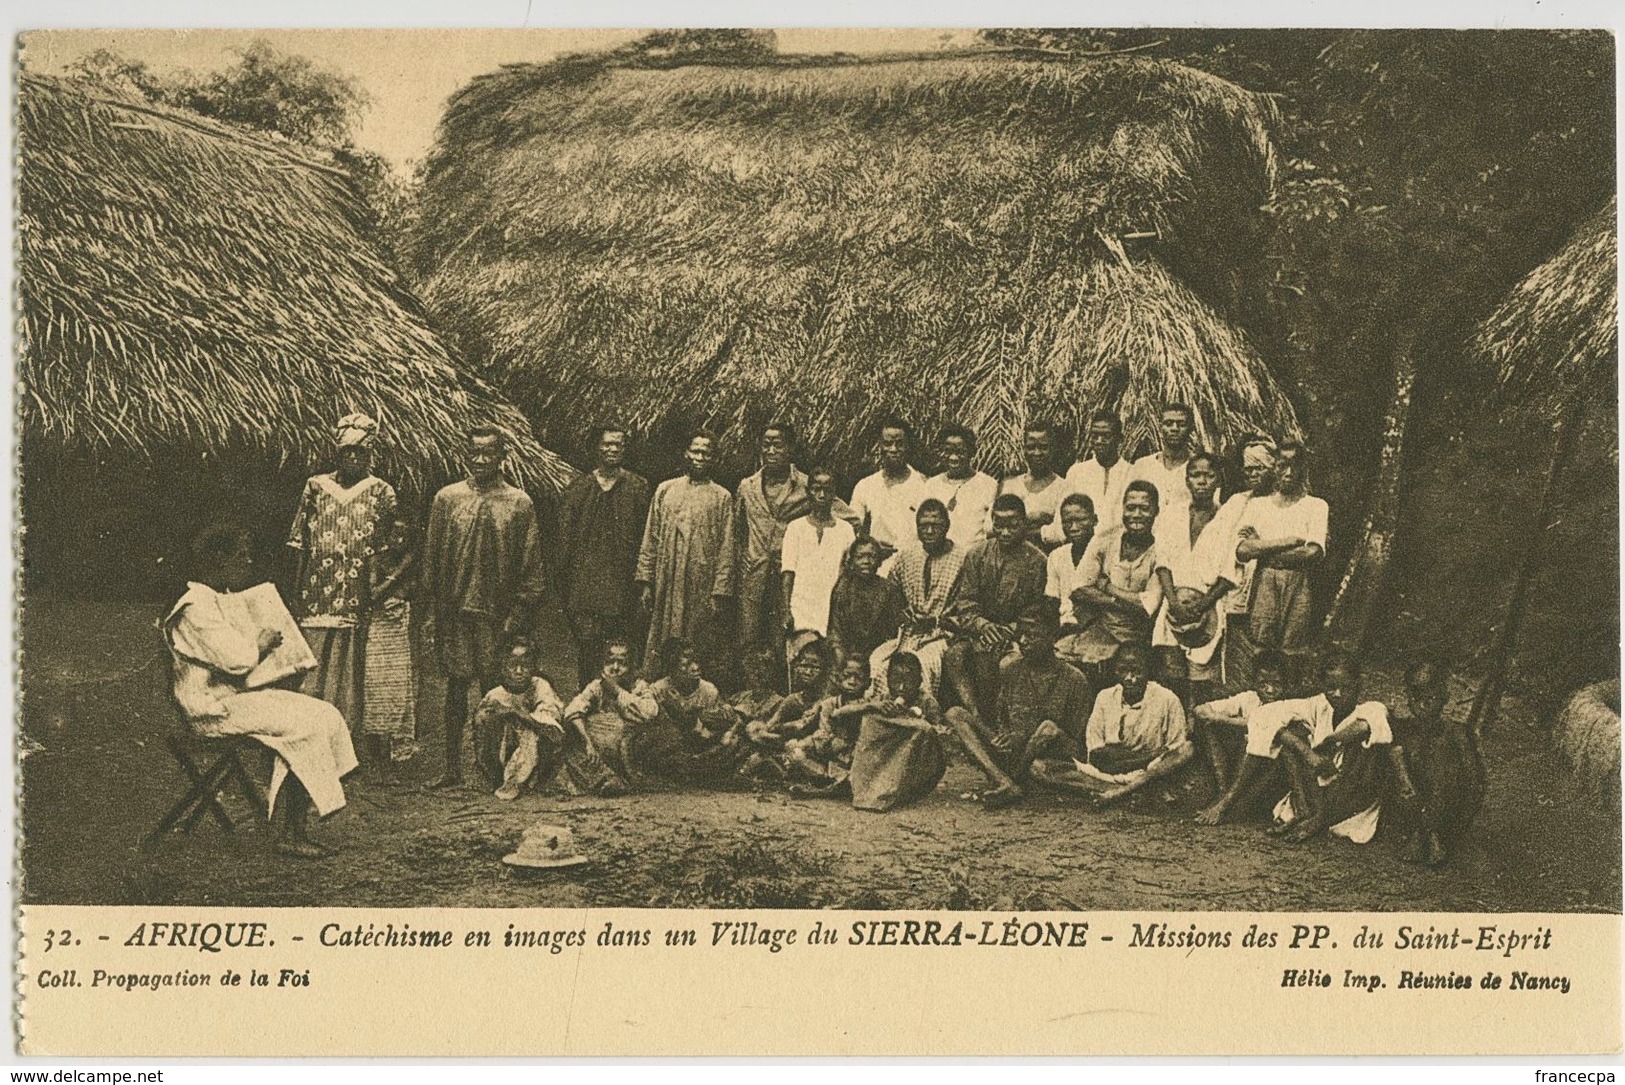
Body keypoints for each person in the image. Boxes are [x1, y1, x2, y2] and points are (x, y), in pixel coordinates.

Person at [165, 525, 357, 859]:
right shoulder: (195, 607)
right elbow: (237, 660)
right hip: (211, 710)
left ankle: (300, 816)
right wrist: (263, 644)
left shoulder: (218, 598)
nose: (249, 560)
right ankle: (292, 831)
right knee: (305, 727)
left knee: (323, 713)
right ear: (218, 559)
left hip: (235, 699)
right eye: (241, 554)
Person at [421, 424, 546, 790]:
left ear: (502, 456)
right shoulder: (447, 499)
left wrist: (519, 613)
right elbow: (431, 559)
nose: (480, 460)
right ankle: (451, 768)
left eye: (488, 453)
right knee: (456, 690)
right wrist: (432, 612)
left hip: (498, 615)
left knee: (497, 694)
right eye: (474, 452)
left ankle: (494, 767)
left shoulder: (519, 503)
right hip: (455, 612)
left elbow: (531, 563)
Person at [284, 412, 399, 766]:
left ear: (370, 456)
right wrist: (296, 592)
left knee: (350, 671)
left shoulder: (381, 492)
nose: (353, 459)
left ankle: (342, 749)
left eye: (360, 453)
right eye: (347, 452)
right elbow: (300, 542)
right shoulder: (315, 486)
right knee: (314, 666)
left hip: (355, 594)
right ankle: (305, 741)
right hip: (316, 594)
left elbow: (383, 551)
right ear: (337, 452)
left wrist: (373, 592)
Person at [1206, 651, 1399, 844]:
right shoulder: (1317, 705)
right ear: (1323, 686)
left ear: (1357, 685)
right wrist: (1306, 752)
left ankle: (1317, 819)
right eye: (1331, 687)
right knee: (1289, 737)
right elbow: (1264, 715)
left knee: (1366, 749)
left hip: (1350, 794)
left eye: (1345, 688)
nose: (1337, 694)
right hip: (1318, 788)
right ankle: (1301, 811)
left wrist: (1329, 743)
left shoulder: (1369, 708)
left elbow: (1371, 723)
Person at [943, 603, 1091, 810]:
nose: (1022, 642)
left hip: (1049, 759)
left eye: (1032, 636)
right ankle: (1005, 781)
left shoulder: (1074, 679)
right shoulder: (1011, 670)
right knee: (955, 714)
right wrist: (1002, 738)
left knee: (1047, 732)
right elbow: (1003, 718)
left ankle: (1010, 778)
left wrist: (1032, 739)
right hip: (1015, 753)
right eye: (1021, 635)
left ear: (1051, 638)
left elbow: (1077, 744)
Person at [734, 422, 860, 655]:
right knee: (749, 638)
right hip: (754, 575)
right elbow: (737, 532)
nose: (771, 451)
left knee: (781, 639)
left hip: (789, 577)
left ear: (790, 449)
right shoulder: (747, 487)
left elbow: (850, 518)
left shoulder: (807, 486)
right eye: (766, 445)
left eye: (778, 445)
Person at [1033, 641, 1192, 807]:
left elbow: (1173, 753)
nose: (1130, 678)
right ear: (1115, 671)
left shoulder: (1167, 699)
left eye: (1137, 671)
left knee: (1186, 750)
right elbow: (1097, 756)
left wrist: (1140, 760)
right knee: (1040, 767)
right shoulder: (1105, 697)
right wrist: (1148, 756)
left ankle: (1121, 792)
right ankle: (1120, 792)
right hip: (1103, 774)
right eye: (1123, 670)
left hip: (1147, 775)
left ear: (1148, 671)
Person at [556, 424, 652, 688]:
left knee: (619, 653)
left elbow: (646, 536)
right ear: (596, 448)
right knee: (588, 652)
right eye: (607, 444)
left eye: (618, 445)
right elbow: (565, 541)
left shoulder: (637, 487)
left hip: (622, 586)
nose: (612, 450)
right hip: (586, 587)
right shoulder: (578, 489)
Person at [636, 429, 737, 677]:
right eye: (696, 451)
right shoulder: (665, 490)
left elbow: (727, 547)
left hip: (700, 581)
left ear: (714, 459)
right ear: (686, 453)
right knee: (663, 633)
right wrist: (646, 581)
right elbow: (651, 537)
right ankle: (659, 683)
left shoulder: (722, 497)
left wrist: (719, 591)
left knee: (697, 637)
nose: (700, 457)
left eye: (706, 453)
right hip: (667, 580)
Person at [944, 493, 1048, 726]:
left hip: (1017, 636)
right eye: (999, 525)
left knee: (1008, 664)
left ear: (1024, 524)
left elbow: (1037, 608)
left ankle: (1004, 723)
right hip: (979, 632)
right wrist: (982, 625)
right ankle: (976, 718)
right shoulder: (977, 555)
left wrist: (1010, 629)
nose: (1005, 532)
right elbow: (966, 601)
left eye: (1013, 525)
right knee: (954, 656)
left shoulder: (1037, 561)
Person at [1151, 452, 1245, 700]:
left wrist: (1202, 606)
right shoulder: (1172, 513)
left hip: (1209, 608)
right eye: (1195, 475)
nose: (1202, 481)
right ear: (1187, 480)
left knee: (1202, 681)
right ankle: (1177, 731)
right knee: (1171, 679)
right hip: (1173, 605)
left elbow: (1229, 571)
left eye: (1209, 475)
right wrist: (1173, 603)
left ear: (1218, 481)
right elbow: (1162, 562)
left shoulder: (1229, 518)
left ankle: (1199, 730)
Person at [1235, 440, 1328, 681]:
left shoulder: (1315, 506)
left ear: (1303, 469)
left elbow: (1312, 553)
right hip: (1265, 579)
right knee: (1260, 645)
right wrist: (1289, 542)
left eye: (1294, 466)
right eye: (1282, 465)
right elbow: (1243, 550)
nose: (1288, 473)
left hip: (1299, 582)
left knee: (1293, 649)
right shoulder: (1258, 505)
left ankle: (1290, 706)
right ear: (1273, 467)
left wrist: (1262, 546)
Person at [1056, 482, 1162, 681]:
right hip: (1103, 629)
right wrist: (1116, 602)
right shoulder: (1107, 539)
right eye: (1130, 508)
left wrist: (1106, 586)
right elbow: (1079, 589)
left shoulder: (1162, 547)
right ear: (1122, 509)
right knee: (1063, 659)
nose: (1136, 515)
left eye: (1144, 509)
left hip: (1140, 636)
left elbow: (1147, 605)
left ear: (1156, 511)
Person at [1391, 659, 1484, 868]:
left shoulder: (1457, 732)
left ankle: (1431, 832)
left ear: (1445, 697)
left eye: (1431, 696)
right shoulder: (1403, 730)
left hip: (1449, 809)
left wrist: (1457, 828)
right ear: (1407, 697)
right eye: (1416, 696)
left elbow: (1475, 782)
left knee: (1442, 759)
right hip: (1412, 804)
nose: (1423, 703)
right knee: (1397, 755)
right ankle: (1423, 831)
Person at [869, 501, 966, 699]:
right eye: (923, 526)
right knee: (878, 661)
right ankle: (883, 714)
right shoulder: (908, 555)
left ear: (947, 526)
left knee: (921, 665)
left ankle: (919, 715)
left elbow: (968, 607)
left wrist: (936, 622)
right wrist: (902, 613)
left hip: (943, 635)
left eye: (935, 525)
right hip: (908, 634)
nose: (929, 531)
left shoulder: (963, 558)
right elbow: (892, 592)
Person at [848, 652, 950, 812]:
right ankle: (873, 788)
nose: (901, 688)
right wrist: (873, 708)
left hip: (916, 766)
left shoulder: (927, 702)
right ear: (887, 680)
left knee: (922, 730)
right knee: (870, 719)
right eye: (896, 681)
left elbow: (939, 737)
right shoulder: (883, 700)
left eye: (908, 682)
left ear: (919, 682)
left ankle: (890, 791)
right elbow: (841, 713)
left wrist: (919, 724)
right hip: (887, 760)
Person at [1190, 649, 1291, 810]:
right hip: (1240, 762)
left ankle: (1232, 801)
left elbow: (1260, 723)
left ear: (1286, 684)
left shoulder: (1290, 703)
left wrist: (1222, 719)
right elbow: (1200, 709)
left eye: (1276, 684)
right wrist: (1212, 716)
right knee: (1209, 726)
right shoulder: (1250, 698)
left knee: (1252, 738)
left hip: (1268, 768)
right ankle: (1223, 790)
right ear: (1253, 682)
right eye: (1263, 683)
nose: (1270, 690)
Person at [360, 518, 418, 784]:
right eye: (395, 534)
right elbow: (373, 594)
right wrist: (397, 576)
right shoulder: (378, 561)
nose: (399, 540)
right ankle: (376, 761)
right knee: (376, 690)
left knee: (397, 691)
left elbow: (415, 592)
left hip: (399, 631)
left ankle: (392, 760)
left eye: (404, 535)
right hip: (380, 630)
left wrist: (402, 588)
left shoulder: (412, 561)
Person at [1219, 437, 1278, 691]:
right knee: (1235, 655)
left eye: (1259, 468)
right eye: (1248, 469)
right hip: (1235, 585)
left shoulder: (1281, 503)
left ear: (1273, 469)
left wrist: (1258, 544)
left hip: (1268, 588)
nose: (1253, 474)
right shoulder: (1236, 501)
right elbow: (1220, 540)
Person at [562, 639, 661, 790]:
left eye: (622, 663)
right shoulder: (597, 686)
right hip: (601, 749)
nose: (615, 668)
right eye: (610, 662)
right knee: (572, 739)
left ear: (632, 667)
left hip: (629, 750)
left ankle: (626, 779)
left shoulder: (640, 687)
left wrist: (617, 691)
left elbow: (650, 712)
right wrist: (587, 742)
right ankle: (607, 779)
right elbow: (573, 709)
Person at [480, 642, 569, 800]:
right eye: (513, 666)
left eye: (525, 666)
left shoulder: (540, 687)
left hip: (539, 756)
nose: (519, 671)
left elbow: (553, 730)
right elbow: (482, 737)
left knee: (534, 730)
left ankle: (530, 781)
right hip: (505, 757)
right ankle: (505, 779)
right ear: (503, 668)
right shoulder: (495, 696)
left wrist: (517, 713)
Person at [779, 465, 857, 641]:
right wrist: (786, 611)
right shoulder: (796, 528)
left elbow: (849, 575)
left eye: (827, 490)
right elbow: (788, 572)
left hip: (831, 610)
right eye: (816, 489)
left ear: (834, 493)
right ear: (808, 492)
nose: (822, 495)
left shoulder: (845, 530)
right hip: (800, 608)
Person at [784, 655, 874, 794]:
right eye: (847, 676)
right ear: (838, 679)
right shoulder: (829, 704)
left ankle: (832, 783)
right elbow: (823, 736)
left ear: (868, 682)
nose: (852, 682)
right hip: (831, 758)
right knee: (794, 750)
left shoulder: (869, 707)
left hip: (855, 761)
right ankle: (830, 780)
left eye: (859, 678)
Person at [849, 416, 928, 575]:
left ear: (908, 446)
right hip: (877, 573)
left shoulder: (924, 485)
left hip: (915, 570)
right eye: (888, 444)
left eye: (899, 444)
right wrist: (872, 547)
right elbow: (853, 531)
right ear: (880, 446)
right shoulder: (865, 486)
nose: (893, 449)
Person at [827, 537, 906, 671]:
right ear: (852, 561)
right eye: (860, 557)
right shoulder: (843, 588)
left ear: (879, 561)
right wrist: (839, 652)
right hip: (848, 652)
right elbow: (835, 628)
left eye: (871, 557)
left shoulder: (888, 589)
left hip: (879, 652)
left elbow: (895, 630)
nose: (866, 562)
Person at [924, 425, 998, 550]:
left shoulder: (988, 485)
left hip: (974, 560)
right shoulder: (932, 485)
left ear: (971, 453)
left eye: (960, 452)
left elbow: (991, 531)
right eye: (948, 452)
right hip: (940, 559)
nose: (953, 458)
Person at [997, 421, 1069, 549]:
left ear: (1053, 449)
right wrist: (1041, 519)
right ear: (1024, 449)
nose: (1037, 453)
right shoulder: (1010, 485)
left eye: (1043, 447)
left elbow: (1059, 533)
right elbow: (990, 526)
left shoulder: (1063, 487)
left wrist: (1015, 526)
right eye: (1031, 447)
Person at [1063, 411, 1132, 531]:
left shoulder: (1132, 472)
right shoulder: (1077, 472)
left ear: (1119, 439)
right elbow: (1062, 518)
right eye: (1095, 436)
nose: (1099, 441)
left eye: (1106, 436)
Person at [1046, 493, 1099, 644]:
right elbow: (1052, 600)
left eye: (1081, 520)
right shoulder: (1057, 556)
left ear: (1094, 520)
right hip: (1064, 631)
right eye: (1068, 522)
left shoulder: (1105, 551)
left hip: (1096, 629)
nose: (1074, 527)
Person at [1130, 403, 1197, 511]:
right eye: (1168, 423)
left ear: (1191, 428)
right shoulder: (1142, 466)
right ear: (1160, 427)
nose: (1174, 428)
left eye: (1181, 424)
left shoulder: (1198, 467)